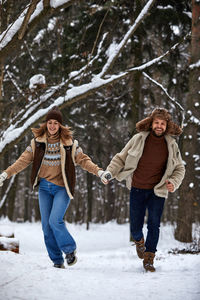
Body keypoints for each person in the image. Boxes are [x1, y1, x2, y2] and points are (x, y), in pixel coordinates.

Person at [0, 106, 104, 269]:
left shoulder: (70, 144)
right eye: (50, 122)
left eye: (56, 123)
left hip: (62, 188)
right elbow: (22, 161)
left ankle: (69, 251)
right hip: (44, 188)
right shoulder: (37, 143)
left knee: (55, 220)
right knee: (46, 227)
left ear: (60, 125)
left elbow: (83, 160)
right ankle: (57, 260)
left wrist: (99, 172)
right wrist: (5, 174)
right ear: (46, 124)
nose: (53, 126)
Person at [100, 108, 185, 272]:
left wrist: (174, 182)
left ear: (166, 126)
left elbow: (180, 168)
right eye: (156, 123)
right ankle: (139, 241)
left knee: (154, 225)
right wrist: (110, 172)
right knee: (135, 227)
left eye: (162, 123)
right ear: (151, 124)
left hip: (157, 191)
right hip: (137, 188)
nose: (159, 126)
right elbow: (121, 157)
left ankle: (149, 258)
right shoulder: (138, 139)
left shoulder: (172, 145)